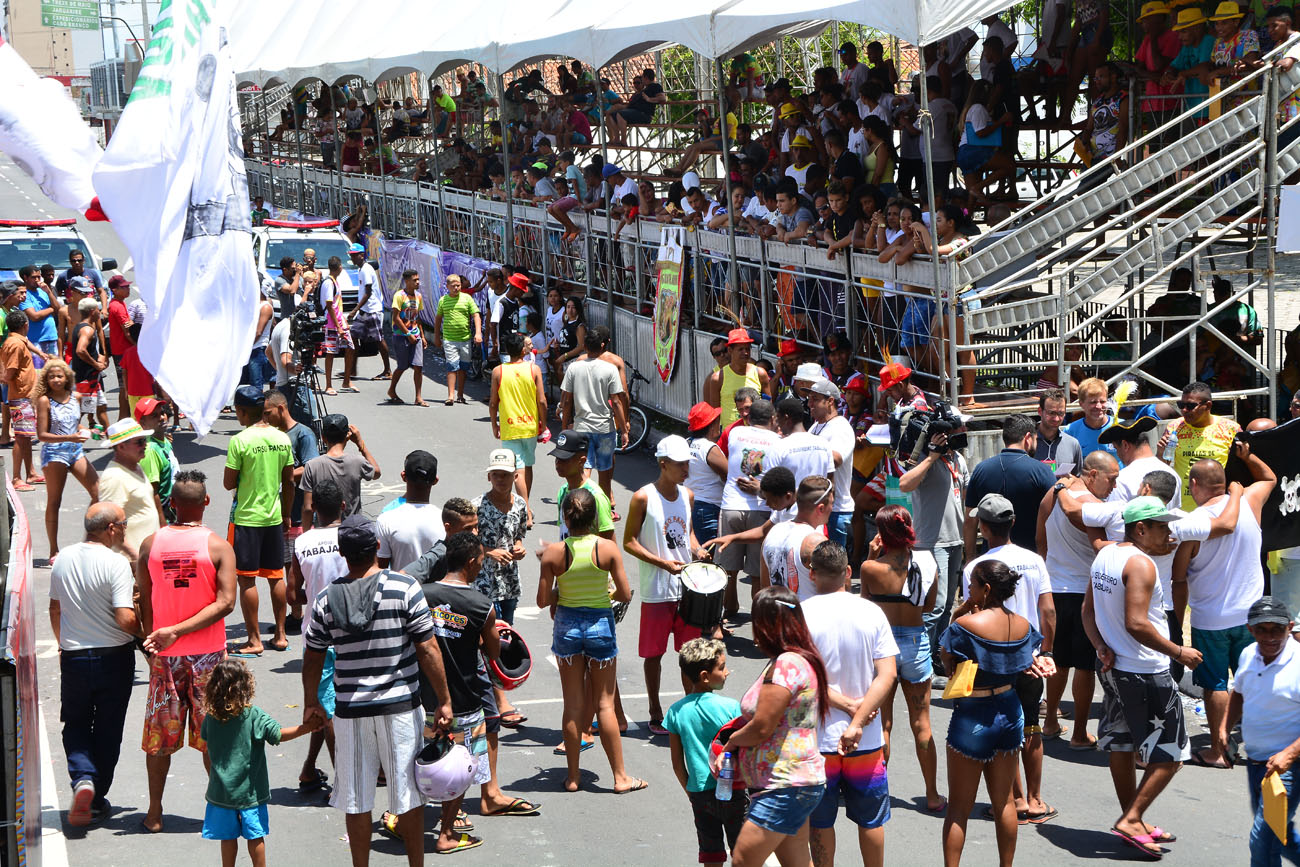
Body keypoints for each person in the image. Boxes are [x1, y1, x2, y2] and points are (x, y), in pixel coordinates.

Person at [301, 514, 454, 867]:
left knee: (356, 799)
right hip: (399, 707)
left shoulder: (326, 600)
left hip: (350, 711)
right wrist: (444, 700)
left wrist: (311, 702)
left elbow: (313, 657)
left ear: (342, 552)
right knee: (408, 797)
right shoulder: (404, 589)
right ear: (375, 549)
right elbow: (427, 648)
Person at [1083, 496, 1200, 860]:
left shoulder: (1104, 555)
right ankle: (1132, 818)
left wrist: (1101, 645)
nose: (1169, 533)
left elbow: (1089, 611)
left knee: (1121, 745)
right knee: (1172, 755)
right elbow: (1136, 623)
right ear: (1140, 529)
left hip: (1114, 670)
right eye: (1162, 527)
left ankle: (1133, 819)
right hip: (1146, 672)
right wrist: (1179, 652)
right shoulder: (1142, 565)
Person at [137, 470, 239, 834]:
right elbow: (227, 603)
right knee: (214, 737)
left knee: (158, 737)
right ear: (206, 502)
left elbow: (143, 599)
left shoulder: (150, 545)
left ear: (172, 503)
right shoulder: (217, 546)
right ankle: (223, 810)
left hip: (165, 659)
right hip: (209, 657)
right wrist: (176, 632)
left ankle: (154, 812)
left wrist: (154, 639)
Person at [1173, 441, 1275, 769]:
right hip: (1251, 615)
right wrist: (1248, 458)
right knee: (1253, 679)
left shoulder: (1196, 524)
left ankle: (1218, 749)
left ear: (1194, 485)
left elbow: (1179, 578)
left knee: (1215, 683)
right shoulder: (1248, 501)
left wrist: (1176, 621)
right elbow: (1270, 479)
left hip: (1211, 619)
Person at [536, 487, 645, 794]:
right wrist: (599, 592)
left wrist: (561, 585)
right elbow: (623, 594)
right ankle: (621, 777)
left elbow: (543, 600)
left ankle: (572, 777)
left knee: (572, 705)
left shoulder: (554, 553)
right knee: (605, 705)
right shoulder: (607, 550)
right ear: (596, 517)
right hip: (600, 626)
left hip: (567, 628)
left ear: (565, 517)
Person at [939, 560, 1048, 867]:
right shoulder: (1024, 625)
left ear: (986, 589)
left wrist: (958, 613)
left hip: (974, 713)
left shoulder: (964, 627)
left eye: (971, 585)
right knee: (1005, 802)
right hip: (1011, 710)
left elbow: (948, 665)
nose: (967, 590)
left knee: (959, 808)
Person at [713, 585, 828, 867]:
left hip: (784, 783)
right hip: (792, 781)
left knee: (743, 859)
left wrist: (732, 742)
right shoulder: (793, 659)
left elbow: (762, 726)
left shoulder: (787, 664)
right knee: (797, 862)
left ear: (767, 625)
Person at [402, 530, 501, 854]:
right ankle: (446, 832)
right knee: (460, 767)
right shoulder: (481, 606)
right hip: (464, 700)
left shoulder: (420, 594)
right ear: (472, 563)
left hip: (420, 698)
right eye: (481, 562)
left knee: (412, 762)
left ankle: (403, 821)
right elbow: (494, 653)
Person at [962, 494, 1058, 825]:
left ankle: (1014, 799)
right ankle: (1035, 798)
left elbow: (974, 612)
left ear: (984, 528)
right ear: (1013, 523)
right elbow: (1048, 610)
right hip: (1031, 656)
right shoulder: (1035, 560)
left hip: (996, 660)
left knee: (1005, 728)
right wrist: (1045, 651)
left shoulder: (976, 567)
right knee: (1031, 726)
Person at [803, 541, 898, 867]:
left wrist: (840, 704)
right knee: (871, 820)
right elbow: (887, 674)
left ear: (812, 574)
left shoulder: (800, 615)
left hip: (818, 743)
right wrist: (858, 720)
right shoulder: (871, 612)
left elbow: (799, 677)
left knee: (820, 822)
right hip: (867, 741)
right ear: (847, 572)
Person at [50, 502, 138, 826]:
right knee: (108, 728)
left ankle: (83, 779)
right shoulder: (116, 564)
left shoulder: (62, 561)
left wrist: (64, 645)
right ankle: (97, 796)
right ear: (111, 529)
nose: (126, 528)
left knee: (74, 723)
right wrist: (144, 632)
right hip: (114, 658)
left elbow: (55, 610)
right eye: (124, 523)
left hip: (73, 658)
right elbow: (125, 618)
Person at [859, 505, 945, 813]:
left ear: (881, 535)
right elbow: (932, 604)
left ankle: (876, 790)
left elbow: (864, 606)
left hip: (882, 646)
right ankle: (933, 794)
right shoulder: (927, 562)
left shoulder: (871, 568)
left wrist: (871, 555)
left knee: (883, 723)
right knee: (922, 723)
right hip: (915, 641)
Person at [1037, 450, 1120, 748]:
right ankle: (1079, 732)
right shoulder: (1093, 507)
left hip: (1055, 589)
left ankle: (1049, 722)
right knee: (1085, 665)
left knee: (1057, 660)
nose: (1113, 487)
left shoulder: (1054, 492)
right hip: (1084, 594)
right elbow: (1102, 548)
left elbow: (1040, 539)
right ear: (1093, 475)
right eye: (1111, 480)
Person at [624, 435, 706, 733]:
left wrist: (697, 550)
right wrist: (662, 564)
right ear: (663, 464)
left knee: (690, 655)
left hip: (688, 590)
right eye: (681, 464)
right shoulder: (642, 497)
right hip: (657, 590)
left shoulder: (689, 496)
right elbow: (629, 542)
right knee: (653, 654)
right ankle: (655, 710)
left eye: (688, 463)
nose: (687, 469)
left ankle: (689, 713)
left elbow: (689, 534)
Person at [200, 659, 315, 866]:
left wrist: (213, 776)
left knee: (227, 837)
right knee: (255, 836)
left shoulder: (211, 717)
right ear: (245, 685)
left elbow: (207, 750)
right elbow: (278, 735)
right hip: (250, 792)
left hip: (221, 792)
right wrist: (307, 728)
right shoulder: (252, 715)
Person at [1219, 596, 1300, 865]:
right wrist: (1224, 728)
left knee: (1262, 841)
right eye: (1261, 630)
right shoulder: (1248, 654)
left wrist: (1290, 753)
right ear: (1250, 629)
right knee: (1281, 836)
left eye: (1277, 629)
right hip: (1256, 765)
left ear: (1289, 627)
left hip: (1288, 769)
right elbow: (1239, 692)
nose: (1270, 637)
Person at [223, 386, 294, 656]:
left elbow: (229, 482)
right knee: (276, 577)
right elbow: (289, 481)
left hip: (247, 519)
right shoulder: (282, 439)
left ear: (241, 412)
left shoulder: (240, 441)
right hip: (274, 517)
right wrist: (286, 513)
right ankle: (281, 634)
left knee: (247, 580)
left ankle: (254, 640)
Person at [664, 638, 748, 866]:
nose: (727, 672)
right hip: (733, 790)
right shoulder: (731, 707)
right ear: (704, 676)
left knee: (711, 852)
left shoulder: (675, 712)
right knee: (742, 851)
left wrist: (690, 791)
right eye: (722, 667)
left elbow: (677, 763)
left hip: (700, 794)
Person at [289, 478, 346, 796]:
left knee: (324, 706)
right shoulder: (354, 537)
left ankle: (310, 769)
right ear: (343, 506)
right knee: (329, 711)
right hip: (352, 633)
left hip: (317, 636)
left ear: (313, 510)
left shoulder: (301, 542)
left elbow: (292, 596)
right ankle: (344, 781)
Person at [896, 425, 968, 651]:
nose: (964, 430)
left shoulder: (958, 458)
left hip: (955, 540)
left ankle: (938, 654)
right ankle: (920, 657)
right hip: (931, 543)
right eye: (959, 427)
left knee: (948, 605)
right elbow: (904, 484)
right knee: (934, 606)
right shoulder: (926, 460)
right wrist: (931, 457)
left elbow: (964, 498)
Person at [717, 399, 782, 619]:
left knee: (728, 567)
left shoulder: (736, 435)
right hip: (761, 509)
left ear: (748, 418)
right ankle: (758, 618)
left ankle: (729, 607)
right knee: (757, 572)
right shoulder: (778, 441)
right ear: (773, 419)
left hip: (731, 506)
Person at [262, 390, 318, 627]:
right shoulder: (272, 435)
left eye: (268, 413)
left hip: (299, 512)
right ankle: (296, 615)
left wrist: (279, 476)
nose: (265, 418)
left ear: (281, 408)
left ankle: (309, 613)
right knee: (288, 564)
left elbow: (310, 467)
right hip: (279, 511)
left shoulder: (303, 434)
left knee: (301, 565)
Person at [964, 414, 1056, 557]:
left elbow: (970, 520)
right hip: (1031, 557)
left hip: (991, 561)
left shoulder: (981, 469)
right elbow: (1055, 517)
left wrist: (970, 558)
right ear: (1028, 438)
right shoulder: (1042, 471)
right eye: (1036, 439)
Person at [33, 359, 97, 560]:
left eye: (59, 376)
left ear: (67, 377)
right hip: (54, 453)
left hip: (75, 450)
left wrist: (88, 430)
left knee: (98, 492)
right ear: (46, 379)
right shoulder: (45, 400)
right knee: (55, 501)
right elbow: (42, 435)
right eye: (51, 377)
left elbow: (74, 425)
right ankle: (53, 550)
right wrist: (71, 436)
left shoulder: (76, 397)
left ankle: (90, 540)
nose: (55, 380)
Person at [560, 326, 627, 510]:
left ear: (585, 346)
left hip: (581, 429)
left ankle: (581, 508)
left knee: (584, 472)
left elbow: (566, 400)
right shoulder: (610, 369)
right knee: (605, 474)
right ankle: (605, 510)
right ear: (603, 345)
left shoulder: (574, 368)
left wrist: (565, 426)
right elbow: (617, 401)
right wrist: (624, 429)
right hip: (605, 429)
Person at [1161, 380, 1242, 511]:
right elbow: (1163, 466)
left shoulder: (1230, 429)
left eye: (1191, 406)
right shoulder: (1175, 427)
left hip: (1218, 509)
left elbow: (1240, 466)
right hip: (1183, 510)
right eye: (1181, 405)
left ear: (1208, 405)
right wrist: (1160, 452)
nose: (1184, 410)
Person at [490, 330, 546, 515]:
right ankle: (526, 505)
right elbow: (542, 402)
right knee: (527, 466)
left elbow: (493, 403)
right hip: (530, 426)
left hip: (510, 426)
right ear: (523, 351)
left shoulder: (499, 371)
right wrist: (543, 425)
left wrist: (494, 425)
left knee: (518, 470)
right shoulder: (533, 369)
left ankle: (525, 510)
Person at [300, 413, 381, 529]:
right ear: (347, 436)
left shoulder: (312, 466)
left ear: (323, 438)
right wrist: (360, 444)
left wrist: (307, 534)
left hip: (323, 530)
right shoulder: (358, 461)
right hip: (352, 531)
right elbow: (376, 473)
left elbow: (307, 508)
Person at [760, 475, 833, 602]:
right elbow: (834, 593)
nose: (832, 508)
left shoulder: (773, 532)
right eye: (832, 503)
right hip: (807, 618)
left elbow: (765, 587)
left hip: (777, 615)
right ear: (821, 508)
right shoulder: (815, 542)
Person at [99, 418, 162, 562]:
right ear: (121, 447)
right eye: (139, 442)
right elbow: (110, 527)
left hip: (146, 557)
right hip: (130, 562)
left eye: (144, 440)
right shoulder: (114, 477)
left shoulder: (136, 467)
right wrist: (134, 557)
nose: (145, 445)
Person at [805, 379, 857, 547]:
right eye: (809, 398)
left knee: (836, 566)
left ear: (830, 401)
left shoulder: (841, 427)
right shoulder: (815, 427)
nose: (810, 403)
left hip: (836, 509)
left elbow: (836, 459)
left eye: (815, 399)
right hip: (818, 506)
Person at [375, 449, 443, 570]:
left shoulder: (386, 520)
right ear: (435, 480)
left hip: (398, 588)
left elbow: (381, 570)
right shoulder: (445, 520)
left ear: (403, 476)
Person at [0, 309, 39, 490]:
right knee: (21, 438)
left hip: (25, 396)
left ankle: (30, 473)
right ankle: (17, 478)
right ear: (26, 325)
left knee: (26, 437)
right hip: (20, 397)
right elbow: (10, 372)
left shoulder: (18, 341)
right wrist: (4, 377)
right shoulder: (16, 344)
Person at [703, 328, 770, 428]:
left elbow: (768, 408)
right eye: (740, 349)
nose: (745, 353)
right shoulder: (717, 378)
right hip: (729, 436)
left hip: (755, 435)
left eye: (747, 349)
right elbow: (714, 413)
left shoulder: (760, 374)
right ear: (730, 350)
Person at [433, 273, 483, 405]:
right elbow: (438, 319)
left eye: (458, 285)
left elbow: (476, 316)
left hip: (465, 339)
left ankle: (460, 394)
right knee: (452, 366)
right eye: (454, 286)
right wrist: (437, 337)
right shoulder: (443, 300)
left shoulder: (467, 298)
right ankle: (451, 396)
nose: (456, 288)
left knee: (463, 368)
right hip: (449, 339)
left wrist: (478, 333)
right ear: (448, 286)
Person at [346, 242, 391, 381]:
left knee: (378, 340)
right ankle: (352, 370)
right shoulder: (361, 269)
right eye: (351, 256)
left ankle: (388, 370)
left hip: (372, 310)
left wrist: (354, 310)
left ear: (361, 255)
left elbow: (368, 293)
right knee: (353, 337)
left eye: (354, 256)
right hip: (365, 311)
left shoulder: (366, 269)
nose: (352, 258)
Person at [685, 402, 727, 545]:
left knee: (696, 553)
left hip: (690, 505)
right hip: (708, 509)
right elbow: (729, 476)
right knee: (708, 558)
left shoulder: (687, 443)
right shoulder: (709, 448)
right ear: (711, 424)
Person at [387, 269, 427, 406]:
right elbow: (396, 317)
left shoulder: (418, 296)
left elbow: (418, 318)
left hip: (415, 335)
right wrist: (408, 334)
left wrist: (422, 336)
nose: (418, 282)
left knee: (418, 366)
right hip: (401, 336)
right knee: (402, 366)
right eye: (415, 280)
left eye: (418, 279)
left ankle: (418, 397)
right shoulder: (400, 296)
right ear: (407, 281)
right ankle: (392, 390)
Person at [71, 296, 110, 433]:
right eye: (98, 310)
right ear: (93, 311)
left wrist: (99, 357)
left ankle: (113, 439)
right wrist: (96, 364)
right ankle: (70, 441)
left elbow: (87, 350)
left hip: (92, 378)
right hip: (86, 378)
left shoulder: (81, 327)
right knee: (79, 413)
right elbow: (80, 350)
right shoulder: (87, 330)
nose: (100, 312)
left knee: (101, 408)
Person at [319, 256, 357, 396]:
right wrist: (338, 326)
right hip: (331, 324)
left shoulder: (334, 282)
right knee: (330, 353)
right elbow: (329, 306)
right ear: (339, 267)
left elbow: (336, 306)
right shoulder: (329, 283)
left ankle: (346, 381)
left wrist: (343, 322)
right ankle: (328, 385)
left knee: (350, 347)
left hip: (340, 322)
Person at [1064, 377, 1117, 460]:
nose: (1099, 406)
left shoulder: (1121, 427)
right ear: (1081, 404)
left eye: (1102, 401)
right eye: (1093, 402)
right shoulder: (1071, 431)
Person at [1034, 387, 1083, 474]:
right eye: (1051, 413)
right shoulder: (1027, 442)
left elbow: (1078, 479)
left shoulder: (1073, 444)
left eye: (1060, 413)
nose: (1056, 419)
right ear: (1040, 411)